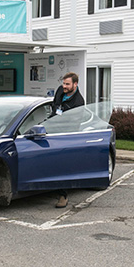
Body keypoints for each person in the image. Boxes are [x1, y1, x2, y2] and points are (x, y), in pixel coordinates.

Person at [51, 72, 85, 208]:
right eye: (63, 83)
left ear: (75, 85)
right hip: (53, 130)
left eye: (67, 84)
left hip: (66, 135)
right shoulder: (60, 90)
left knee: (62, 164)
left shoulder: (79, 102)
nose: (64, 86)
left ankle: (62, 196)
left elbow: (74, 124)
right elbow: (55, 105)